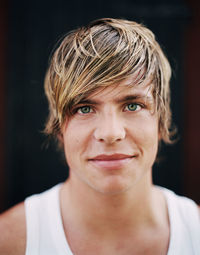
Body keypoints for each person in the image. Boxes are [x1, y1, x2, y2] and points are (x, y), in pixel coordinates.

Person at [0, 18, 199, 255]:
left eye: (133, 105)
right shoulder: (10, 241)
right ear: (60, 127)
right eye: (84, 108)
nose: (110, 133)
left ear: (161, 119)